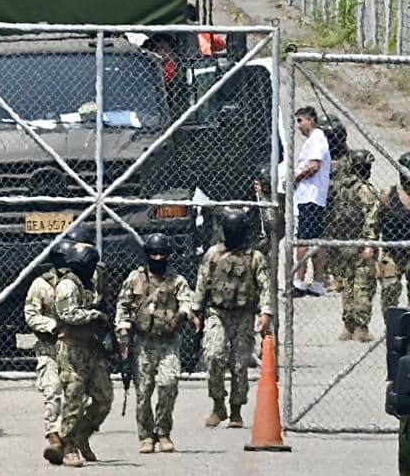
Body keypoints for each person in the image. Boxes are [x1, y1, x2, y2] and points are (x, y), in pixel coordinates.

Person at [114, 233, 195, 453]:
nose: (158, 258)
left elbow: (188, 302)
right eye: (154, 254)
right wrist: (123, 332)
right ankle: (146, 435)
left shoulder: (177, 281)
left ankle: (163, 432)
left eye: (162, 254)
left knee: (168, 384)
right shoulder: (135, 279)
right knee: (143, 392)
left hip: (168, 343)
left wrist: (181, 316)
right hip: (143, 342)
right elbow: (123, 306)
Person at [194, 210, 272, 428]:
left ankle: (236, 409)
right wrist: (196, 311)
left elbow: (265, 286)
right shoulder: (213, 255)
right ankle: (218, 404)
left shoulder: (254, 257)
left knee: (239, 364)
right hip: (217, 313)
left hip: (244, 315)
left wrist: (265, 313)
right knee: (214, 356)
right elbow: (202, 282)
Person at [52, 241, 113, 466]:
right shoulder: (68, 285)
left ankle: (82, 435)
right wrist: (93, 315)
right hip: (71, 348)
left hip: (92, 348)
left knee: (104, 398)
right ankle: (68, 446)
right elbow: (67, 313)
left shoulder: (90, 284)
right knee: (74, 396)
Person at [21, 241, 70, 464]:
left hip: (75, 349)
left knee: (77, 396)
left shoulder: (81, 284)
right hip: (49, 348)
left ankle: (74, 438)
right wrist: (52, 325)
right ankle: (54, 438)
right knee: (53, 391)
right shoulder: (40, 285)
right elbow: (31, 315)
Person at [326, 149, 381, 342]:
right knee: (363, 285)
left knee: (348, 284)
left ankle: (348, 325)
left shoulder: (341, 187)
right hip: (360, 244)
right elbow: (371, 219)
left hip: (342, 244)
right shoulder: (366, 190)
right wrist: (370, 243)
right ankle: (361, 327)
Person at [378, 150, 410, 314]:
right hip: (392, 252)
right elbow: (375, 221)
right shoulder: (388, 194)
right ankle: (392, 329)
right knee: (389, 291)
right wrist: (369, 244)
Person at [291, 106, 332, 297]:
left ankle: (299, 281)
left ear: (310, 120)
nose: (298, 126)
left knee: (304, 240)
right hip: (312, 197)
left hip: (311, 196)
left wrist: (297, 178)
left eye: (300, 120)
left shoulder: (317, 138)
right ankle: (317, 282)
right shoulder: (315, 139)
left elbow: (314, 165)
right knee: (316, 240)